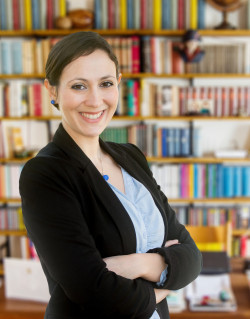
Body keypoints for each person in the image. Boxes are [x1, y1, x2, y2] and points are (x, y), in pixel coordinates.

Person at [19, 31, 202, 319]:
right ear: (52, 91)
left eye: (105, 83)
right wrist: (167, 279)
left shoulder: (131, 156)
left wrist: (137, 265)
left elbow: (192, 258)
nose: (95, 100)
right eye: (79, 86)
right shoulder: (44, 174)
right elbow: (96, 293)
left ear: (118, 84)